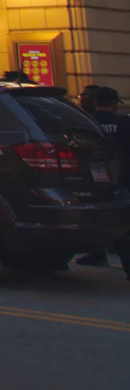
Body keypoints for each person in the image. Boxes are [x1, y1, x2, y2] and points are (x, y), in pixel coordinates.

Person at [76, 86, 130, 275]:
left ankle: (97, 252)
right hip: (123, 176)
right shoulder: (124, 122)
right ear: (114, 103)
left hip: (93, 178)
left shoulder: (87, 121)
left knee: (98, 216)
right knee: (123, 221)